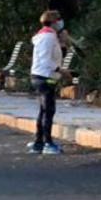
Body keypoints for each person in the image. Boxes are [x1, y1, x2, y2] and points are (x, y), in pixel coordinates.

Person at [28, 9, 65, 155]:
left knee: (44, 109)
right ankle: (47, 143)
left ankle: (39, 142)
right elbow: (45, 59)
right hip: (45, 76)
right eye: (59, 20)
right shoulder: (48, 37)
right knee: (49, 110)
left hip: (42, 76)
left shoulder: (46, 36)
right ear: (54, 22)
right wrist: (60, 70)